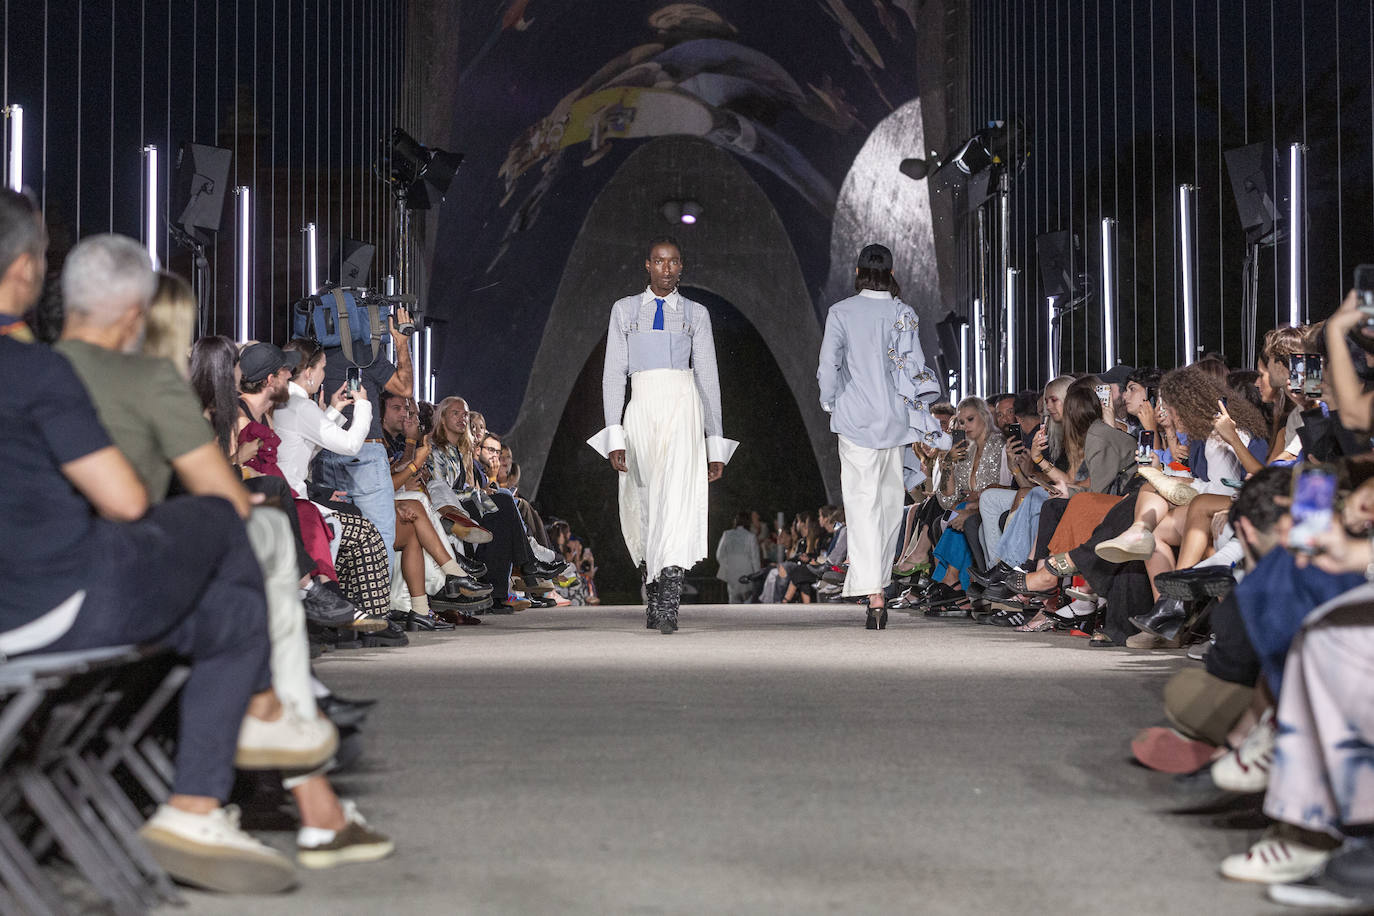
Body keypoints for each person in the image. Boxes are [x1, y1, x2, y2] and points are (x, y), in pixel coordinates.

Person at [0, 193, 335, 893]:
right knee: (226, 519)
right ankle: (263, 714)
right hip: (45, 609)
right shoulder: (35, 371)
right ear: (25, 268)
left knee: (231, 616)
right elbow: (122, 500)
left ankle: (197, 801)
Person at [588, 236, 738, 634]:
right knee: (641, 501)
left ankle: (669, 598)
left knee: (676, 501)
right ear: (648, 266)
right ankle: (652, 586)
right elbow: (612, 376)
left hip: (683, 410)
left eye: (673, 262)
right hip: (641, 410)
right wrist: (614, 436)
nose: (666, 269)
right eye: (659, 261)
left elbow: (708, 379)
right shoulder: (624, 311)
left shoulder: (696, 314)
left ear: (681, 267)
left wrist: (715, 442)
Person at [816, 243, 946, 628]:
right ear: (891, 273)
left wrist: (830, 403)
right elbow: (915, 367)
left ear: (857, 273)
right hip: (893, 422)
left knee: (861, 505)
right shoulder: (903, 313)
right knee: (889, 505)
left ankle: (873, 592)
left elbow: (828, 366)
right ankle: (879, 590)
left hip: (855, 419)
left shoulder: (841, 312)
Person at [716, 511, 762, 603]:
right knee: (748, 603)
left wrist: (727, 567)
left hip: (731, 575)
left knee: (733, 603)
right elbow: (755, 559)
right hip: (747, 575)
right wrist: (757, 576)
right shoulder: (751, 537)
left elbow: (719, 555)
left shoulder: (727, 534)